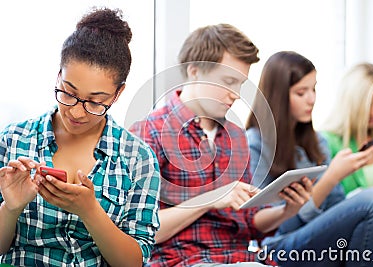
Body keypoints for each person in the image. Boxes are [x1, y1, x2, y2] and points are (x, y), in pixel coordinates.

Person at [130, 24, 316, 267]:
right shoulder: (148, 133)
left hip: (241, 258)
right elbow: (143, 233)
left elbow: (249, 223)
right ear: (194, 71)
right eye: (228, 81)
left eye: (240, 84)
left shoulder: (236, 137)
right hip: (183, 260)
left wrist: (288, 210)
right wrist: (211, 198)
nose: (236, 95)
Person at [0, 8, 160, 267]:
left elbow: (133, 262)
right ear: (58, 75)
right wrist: (11, 208)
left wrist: (90, 211)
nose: (76, 112)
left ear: (117, 94)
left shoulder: (138, 158)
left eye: (95, 102)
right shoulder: (13, 139)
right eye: (68, 92)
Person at [246, 51, 373, 266]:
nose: (312, 99)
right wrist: (331, 177)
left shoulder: (317, 143)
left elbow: (335, 210)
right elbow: (275, 226)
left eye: (314, 89)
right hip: (280, 246)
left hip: (325, 242)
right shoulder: (255, 145)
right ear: (279, 96)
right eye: (301, 92)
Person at [321, 62, 373, 265]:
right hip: (363, 234)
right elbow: (333, 211)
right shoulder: (326, 142)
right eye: (367, 105)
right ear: (351, 103)